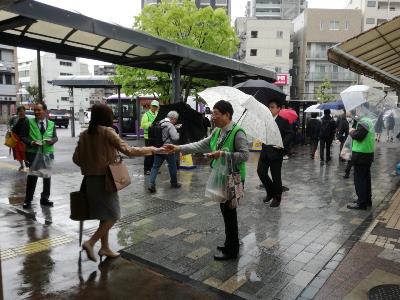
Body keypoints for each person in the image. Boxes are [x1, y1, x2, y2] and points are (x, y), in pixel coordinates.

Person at [164, 100, 249, 261]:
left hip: (234, 178)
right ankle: (229, 242)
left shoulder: (238, 133)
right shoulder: (218, 132)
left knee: (230, 213)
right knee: (226, 212)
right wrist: (178, 148)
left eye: (216, 113)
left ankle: (232, 250)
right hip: (221, 176)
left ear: (227, 115)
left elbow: (245, 155)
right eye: (213, 113)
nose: (213, 116)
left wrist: (223, 154)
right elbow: (200, 145)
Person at [73, 104, 158, 262]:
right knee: (114, 215)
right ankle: (90, 243)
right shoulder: (107, 132)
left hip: (89, 181)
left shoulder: (84, 134)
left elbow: (76, 159)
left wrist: (91, 167)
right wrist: (152, 149)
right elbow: (129, 151)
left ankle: (105, 248)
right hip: (106, 180)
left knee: (104, 215)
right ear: (106, 117)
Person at [20, 102, 58, 209]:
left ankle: (45, 198)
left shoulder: (51, 124)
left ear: (45, 111)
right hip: (33, 153)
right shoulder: (29, 122)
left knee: (47, 177)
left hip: (48, 152)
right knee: (32, 177)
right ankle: (28, 200)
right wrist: (32, 143)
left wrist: (52, 141)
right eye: (35, 110)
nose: (36, 112)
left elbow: (55, 137)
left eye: (38, 110)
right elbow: (22, 136)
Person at [257, 100, 293, 208]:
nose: (270, 109)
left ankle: (277, 197)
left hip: (276, 153)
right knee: (261, 172)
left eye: (272, 107)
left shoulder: (283, 121)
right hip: (265, 152)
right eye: (269, 107)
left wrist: (282, 144)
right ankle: (270, 192)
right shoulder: (265, 120)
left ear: (278, 109)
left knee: (276, 176)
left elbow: (291, 134)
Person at [347, 111, 375, 210]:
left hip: (361, 155)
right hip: (366, 154)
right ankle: (366, 200)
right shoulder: (368, 121)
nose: (357, 111)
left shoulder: (364, 122)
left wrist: (351, 131)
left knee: (360, 179)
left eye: (359, 109)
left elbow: (358, 136)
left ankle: (361, 202)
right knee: (366, 178)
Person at [148, 111, 181, 193]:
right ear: (173, 118)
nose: (175, 121)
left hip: (158, 149)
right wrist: (178, 131)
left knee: (155, 167)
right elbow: (175, 137)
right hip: (168, 149)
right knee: (172, 166)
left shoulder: (160, 122)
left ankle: (151, 184)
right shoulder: (170, 125)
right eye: (175, 120)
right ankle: (174, 183)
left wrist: (174, 127)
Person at [140, 100, 159, 175]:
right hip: (148, 137)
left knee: (154, 153)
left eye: (155, 106)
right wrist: (150, 124)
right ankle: (146, 170)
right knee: (148, 154)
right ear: (150, 106)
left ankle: (153, 169)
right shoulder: (146, 114)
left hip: (155, 137)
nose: (154, 107)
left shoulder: (157, 114)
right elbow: (143, 125)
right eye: (153, 106)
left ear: (157, 107)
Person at [10, 106, 29, 171]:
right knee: (17, 153)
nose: (20, 113)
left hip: (23, 139)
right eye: (19, 111)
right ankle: (21, 165)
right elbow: (11, 126)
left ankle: (27, 162)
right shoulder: (15, 118)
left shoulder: (27, 120)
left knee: (24, 152)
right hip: (15, 138)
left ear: (24, 111)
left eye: (22, 111)